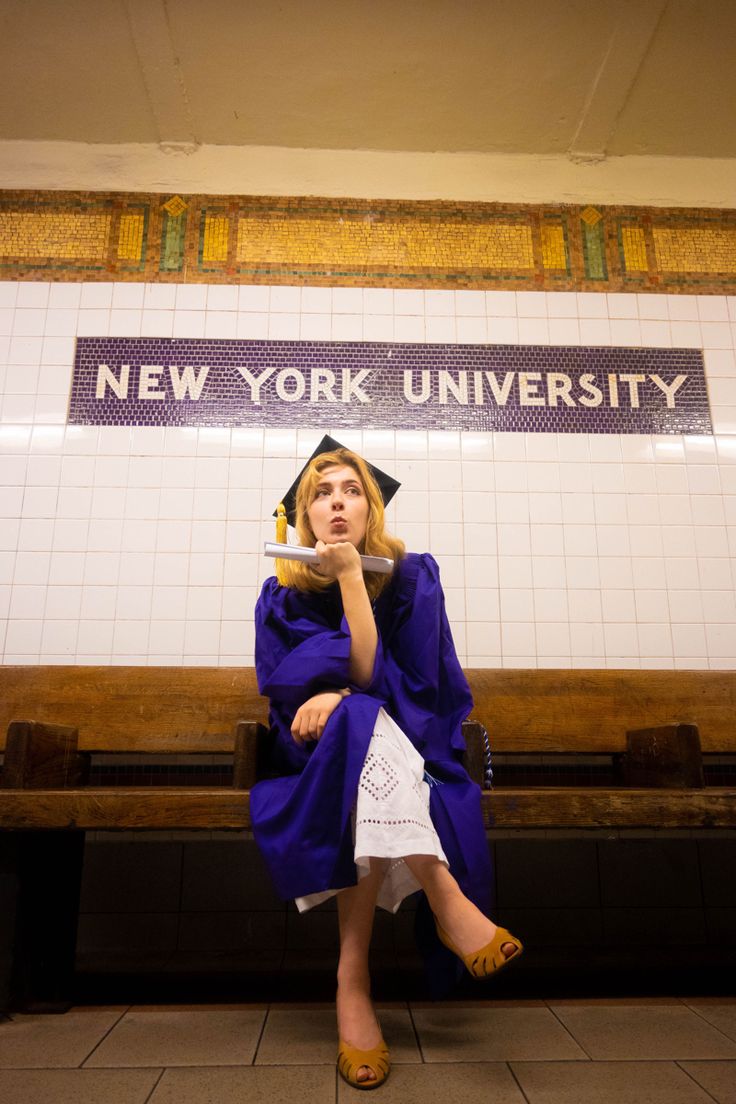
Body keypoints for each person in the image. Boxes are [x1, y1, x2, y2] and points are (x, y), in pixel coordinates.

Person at [251, 440, 522, 1091]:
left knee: (360, 717)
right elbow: (294, 704)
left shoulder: (411, 576)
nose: (336, 501)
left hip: (402, 743)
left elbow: (385, 680)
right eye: (321, 492)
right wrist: (338, 697)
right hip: (311, 759)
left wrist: (350, 587)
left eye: (349, 490)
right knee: (353, 725)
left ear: (370, 508)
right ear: (304, 515)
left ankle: (352, 979)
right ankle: (446, 897)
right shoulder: (280, 594)